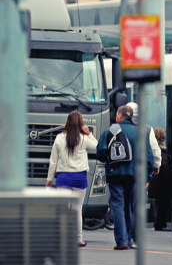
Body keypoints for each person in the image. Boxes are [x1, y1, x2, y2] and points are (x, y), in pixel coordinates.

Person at [96, 105, 154, 250]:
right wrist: (147, 177)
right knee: (130, 207)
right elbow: (148, 158)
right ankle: (128, 240)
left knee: (117, 206)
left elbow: (101, 154)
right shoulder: (141, 133)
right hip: (135, 177)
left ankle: (121, 241)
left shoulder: (111, 131)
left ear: (120, 116)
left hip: (115, 176)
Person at [46, 111, 98, 248]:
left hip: (63, 177)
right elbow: (97, 146)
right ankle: (78, 239)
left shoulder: (59, 138)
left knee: (62, 209)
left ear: (67, 122)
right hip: (79, 178)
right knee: (77, 210)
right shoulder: (83, 139)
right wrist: (89, 133)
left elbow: (53, 162)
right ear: (80, 124)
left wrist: (49, 180)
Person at [125, 102, 161, 246]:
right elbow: (154, 150)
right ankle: (135, 238)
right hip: (139, 174)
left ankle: (124, 236)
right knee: (137, 205)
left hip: (121, 173)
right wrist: (156, 166)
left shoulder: (118, 128)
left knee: (124, 205)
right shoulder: (147, 129)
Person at [148, 128, 172, 231]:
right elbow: (165, 167)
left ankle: (161, 224)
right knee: (162, 204)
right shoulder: (162, 151)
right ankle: (159, 224)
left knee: (160, 203)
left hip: (157, 183)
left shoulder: (154, 150)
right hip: (163, 184)